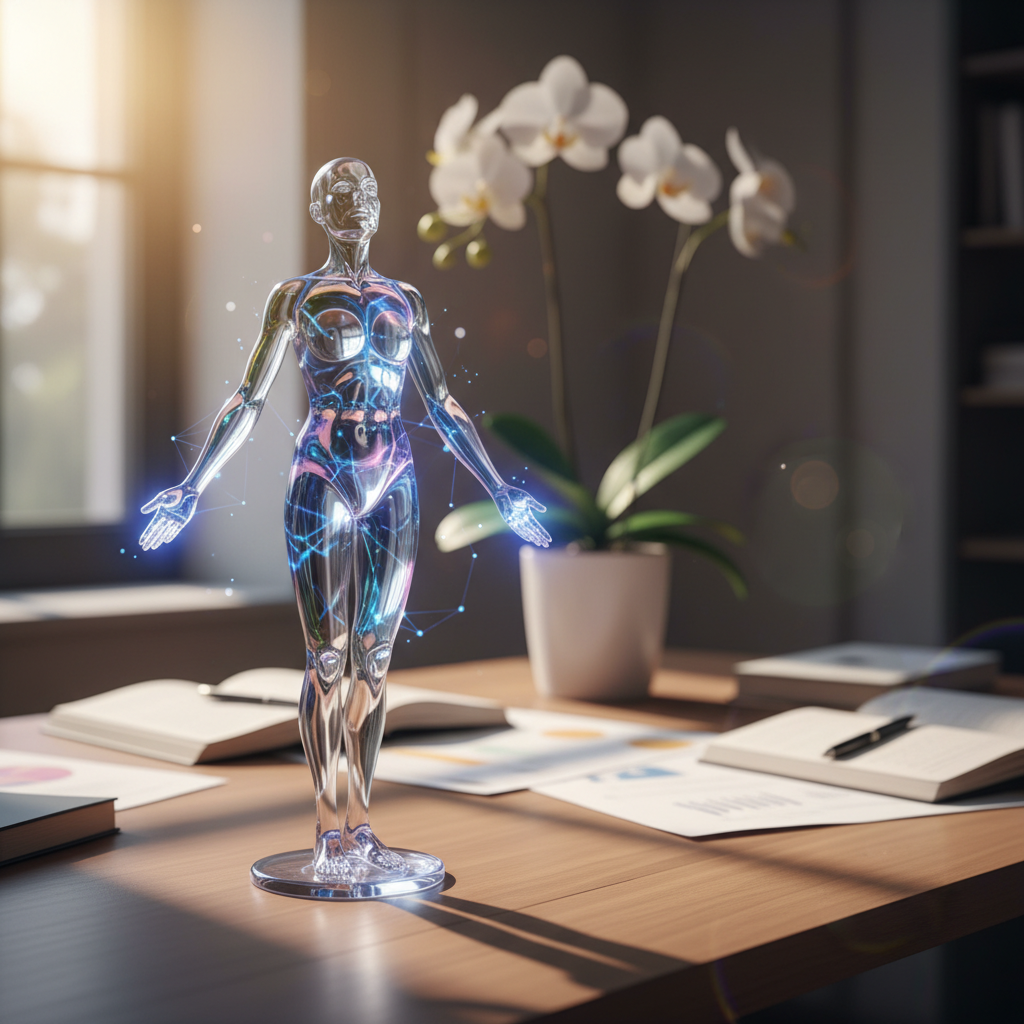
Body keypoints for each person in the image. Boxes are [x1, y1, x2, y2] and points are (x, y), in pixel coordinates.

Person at [140, 158, 550, 882]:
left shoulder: (405, 298)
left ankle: (362, 829)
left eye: (363, 191)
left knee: (377, 660)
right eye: (337, 193)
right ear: (316, 208)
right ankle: (331, 834)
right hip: (323, 473)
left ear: (380, 205)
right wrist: (190, 487)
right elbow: (248, 399)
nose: (352, 203)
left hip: (393, 475)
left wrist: (503, 490)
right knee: (328, 659)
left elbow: (443, 404)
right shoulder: (296, 297)